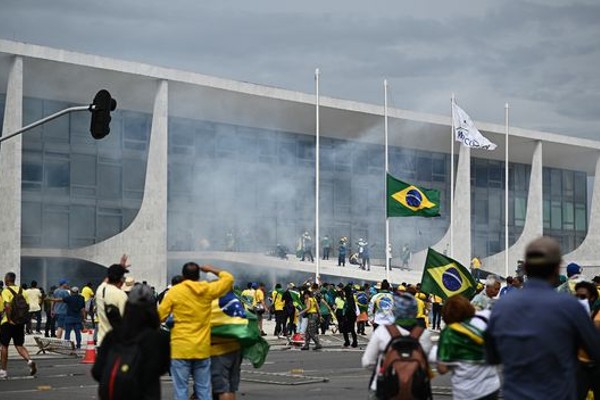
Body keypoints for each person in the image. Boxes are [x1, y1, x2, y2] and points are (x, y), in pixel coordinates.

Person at [486, 237, 600, 399]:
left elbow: (491, 356)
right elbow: (595, 351)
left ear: (525, 268)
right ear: (556, 269)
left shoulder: (501, 307)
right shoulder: (571, 307)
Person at [158, 263, 234, 400]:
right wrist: (211, 269)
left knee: (181, 389)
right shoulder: (206, 289)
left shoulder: (175, 292)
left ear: (183, 276)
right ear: (198, 275)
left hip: (180, 347)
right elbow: (228, 279)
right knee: (204, 389)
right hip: (202, 348)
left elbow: (160, 316)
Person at [92, 284, 170, 400]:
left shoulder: (112, 336)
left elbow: (97, 371)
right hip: (146, 393)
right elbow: (162, 368)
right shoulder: (160, 338)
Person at [361, 293, 433, 393]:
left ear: (395, 310)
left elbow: (367, 362)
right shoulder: (423, 334)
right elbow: (430, 361)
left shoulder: (382, 331)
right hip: (415, 389)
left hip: (385, 387)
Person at [435, 295, 500, 400]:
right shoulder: (484, 319)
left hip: (467, 392)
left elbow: (442, 369)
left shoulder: (450, 332)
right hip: (491, 387)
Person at [0, 272, 37, 379]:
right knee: (19, 345)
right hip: (19, 323)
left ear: (7, 279)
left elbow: (7, 306)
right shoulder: (23, 291)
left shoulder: (6, 291)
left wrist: (10, 319)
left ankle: (3, 371)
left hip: (8, 322)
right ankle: (29, 360)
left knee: (4, 346)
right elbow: (28, 306)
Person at [574, 280, 600, 400]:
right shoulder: (573, 314)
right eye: (577, 296)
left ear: (593, 297)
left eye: (583, 296)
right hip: (581, 365)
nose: (580, 299)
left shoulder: (597, 315)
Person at [96, 264, 129, 346]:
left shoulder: (100, 290)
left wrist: (119, 268)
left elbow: (106, 280)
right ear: (121, 279)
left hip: (102, 342)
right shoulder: (121, 295)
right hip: (117, 344)